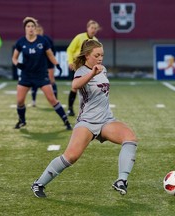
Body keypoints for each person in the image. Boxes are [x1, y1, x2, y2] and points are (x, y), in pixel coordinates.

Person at [31, 39, 138, 198]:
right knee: (70, 157)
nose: (100, 58)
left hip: (106, 120)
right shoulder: (82, 71)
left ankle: (121, 180)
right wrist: (92, 73)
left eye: (102, 54)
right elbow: (75, 85)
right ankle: (39, 183)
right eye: (97, 55)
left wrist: (98, 71)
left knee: (131, 139)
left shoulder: (103, 69)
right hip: (87, 122)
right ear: (87, 55)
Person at [12, 17, 72, 130]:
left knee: (52, 99)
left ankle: (66, 121)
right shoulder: (21, 41)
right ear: (25, 28)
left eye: (32, 26)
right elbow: (14, 58)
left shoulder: (42, 41)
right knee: (20, 101)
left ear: (35, 28)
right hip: (26, 75)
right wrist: (17, 64)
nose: (30, 28)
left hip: (41, 75)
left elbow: (50, 55)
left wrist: (57, 64)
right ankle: (22, 120)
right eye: (28, 26)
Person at [66, 20, 100, 116]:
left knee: (90, 88)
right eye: (92, 28)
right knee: (75, 87)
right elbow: (70, 49)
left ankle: (89, 110)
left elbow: (97, 55)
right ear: (87, 28)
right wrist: (70, 61)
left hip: (88, 68)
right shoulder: (80, 37)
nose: (93, 30)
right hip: (78, 66)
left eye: (95, 28)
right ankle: (70, 109)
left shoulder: (96, 41)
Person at [31, 24, 59, 107]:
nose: (39, 32)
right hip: (37, 63)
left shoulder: (47, 39)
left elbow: (53, 51)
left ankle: (55, 100)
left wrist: (51, 59)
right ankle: (33, 101)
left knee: (51, 80)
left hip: (48, 62)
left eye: (40, 30)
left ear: (42, 31)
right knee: (34, 81)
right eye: (37, 30)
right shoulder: (32, 40)